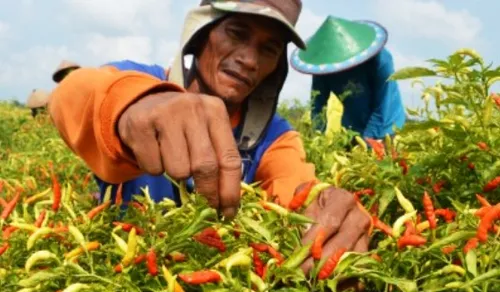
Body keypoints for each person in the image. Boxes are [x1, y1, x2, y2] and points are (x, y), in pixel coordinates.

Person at [48, 0, 371, 273]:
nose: (249, 59)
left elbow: (298, 189)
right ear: (201, 33)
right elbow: (72, 95)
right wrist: (132, 107)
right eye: (236, 32)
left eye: (269, 49)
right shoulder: (141, 85)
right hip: (123, 275)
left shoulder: (275, 137)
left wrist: (332, 213)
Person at [290, 16, 406, 141]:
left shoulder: (381, 59)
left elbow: (382, 105)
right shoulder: (324, 67)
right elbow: (318, 106)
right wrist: (318, 141)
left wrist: (368, 141)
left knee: (381, 158)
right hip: (352, 127)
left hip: (386, 125)